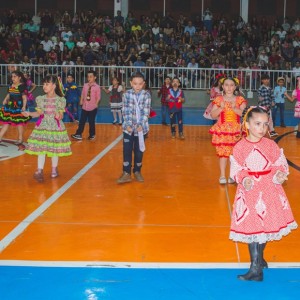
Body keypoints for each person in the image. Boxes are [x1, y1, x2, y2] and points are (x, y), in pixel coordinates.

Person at [229, 106, 297, 281]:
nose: (262, 128)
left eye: (265, 125)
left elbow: (279, 163)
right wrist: (244, 179)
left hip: (269, 190)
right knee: (253, 227)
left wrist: (279, 174)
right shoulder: (240, 147)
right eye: (257, 124)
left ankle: (259, 259)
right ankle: (255, 267)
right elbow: (236, 168)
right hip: (249, 191)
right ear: (248, 124)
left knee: (265, 226)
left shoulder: (270, 145)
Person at [21, 75, 72, 182]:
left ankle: (54, 169)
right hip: (43, 126)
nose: (44, 86)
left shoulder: (60, 100)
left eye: (47, 84)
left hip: (54, 127)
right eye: (44, 84)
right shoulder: (40, 99)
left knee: (54, 149)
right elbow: (39, 113)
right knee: (42, 148)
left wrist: (58, 115)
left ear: (54, 85)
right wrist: (29, 113)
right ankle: (39, 170)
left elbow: (61, 115)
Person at [209, 77, 247, 184]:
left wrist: (235, 109)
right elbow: (212, 115)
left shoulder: (240, 100)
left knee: (234, 155)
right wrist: (220, 108)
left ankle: (232, 175)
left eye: (231, 85)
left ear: (235, 87)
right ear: (222, 86)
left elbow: (245, 115)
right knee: (223, 154)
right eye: (226, 85)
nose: (229, 87)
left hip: (236, 131)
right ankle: (222, 175)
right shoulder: (218, 99)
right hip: (223, 130)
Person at [117, 73, 151, 184]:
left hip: (141, 129)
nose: (137, 86)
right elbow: (125, 110)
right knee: (126, 151)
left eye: (140, 84)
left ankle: (137, 171)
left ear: (143, 84)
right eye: (135, 83)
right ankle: (126, 173)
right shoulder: (126, 94)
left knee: (139, 151)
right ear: (131, 83)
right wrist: (128, 125)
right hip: (128, 129)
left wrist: (140, 124)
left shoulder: (146, 95)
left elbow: (146, 112)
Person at [0, 71, 30, 145]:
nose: (12, 78)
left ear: (19, 77)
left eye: (14, 76)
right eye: (12, 76)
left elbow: (24, 98)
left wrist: (23, 106)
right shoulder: (11, 85)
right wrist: (5, 99)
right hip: (10, 107)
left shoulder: (21, 86)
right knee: (6, 122)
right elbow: (9, 94)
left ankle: (20, 139)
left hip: (18, 107)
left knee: (19, 123)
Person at [71, 70, 101, 140]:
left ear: (95, 77)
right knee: (82, 121)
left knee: (91, 121)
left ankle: (92, 134)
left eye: (91, 76)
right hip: (85, 106)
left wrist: (96, 104)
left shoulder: (97, 87)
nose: (89, 78)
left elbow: (98, 97)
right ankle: (78, 134)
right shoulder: (85, 85)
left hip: (93, 107)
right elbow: (83, 94)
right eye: (88, 77)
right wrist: (81, 100)